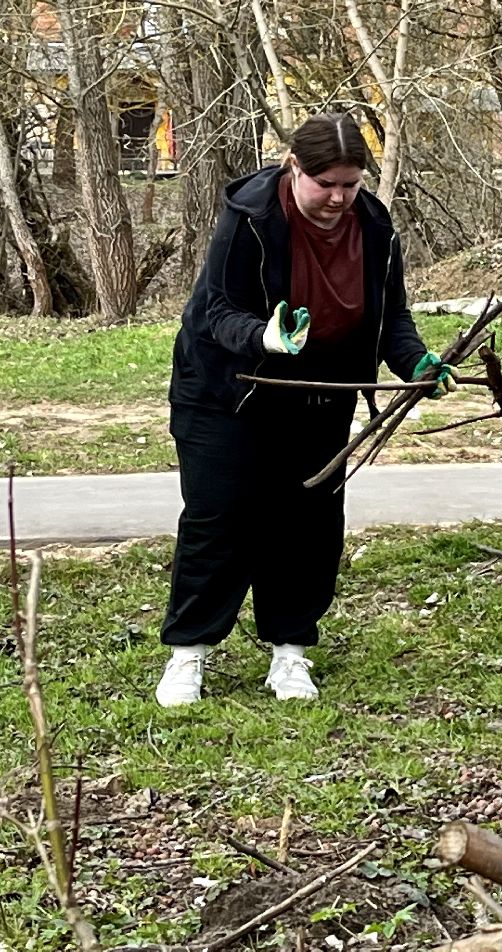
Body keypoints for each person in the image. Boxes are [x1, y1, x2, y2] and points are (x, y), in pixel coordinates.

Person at [155, 112, 457, 707]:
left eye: (352, 183)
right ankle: (188, 655)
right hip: (227, 390)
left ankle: (289, 655)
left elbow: (389, 317)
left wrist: (416, 363)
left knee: (308, 524)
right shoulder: (251, 218)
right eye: (328, 184)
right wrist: (265, 336)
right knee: (222, 517)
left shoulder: (373, 225)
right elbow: (216, 310)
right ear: (295, 168)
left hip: (322, 394)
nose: (340, 198)